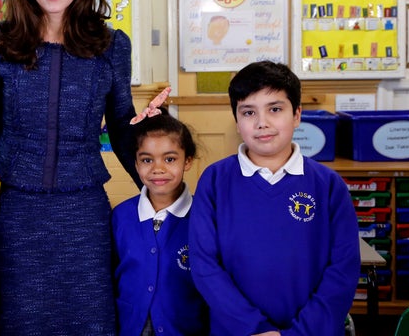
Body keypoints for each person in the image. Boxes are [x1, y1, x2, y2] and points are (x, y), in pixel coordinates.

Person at [0, 0, 139, 335]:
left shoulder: (111, 45)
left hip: (83, 213)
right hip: (19, 212)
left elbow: (121, 124)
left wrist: (162, 190)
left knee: (90, 320)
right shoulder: (0, 41)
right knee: (21, 320)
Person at [189, 61, 360, 336]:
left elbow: (343, 270)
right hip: (236, 330)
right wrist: (254, 329)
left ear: (297, 115)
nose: (262, 123)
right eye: (248, 112)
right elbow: (204, 265)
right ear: (237, 120)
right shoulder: (214, 181)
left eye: (275, 109)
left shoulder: (328, 185)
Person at [112, 108, 209, 336]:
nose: (158, 169)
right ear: (136, 164)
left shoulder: (203, 217)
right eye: (147, 159)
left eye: (170, 159)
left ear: (188, 161)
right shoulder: (121, 216)